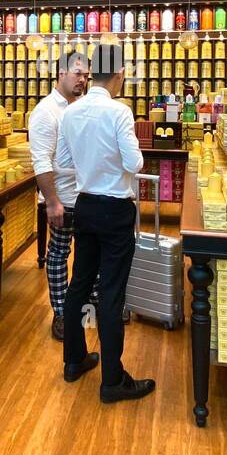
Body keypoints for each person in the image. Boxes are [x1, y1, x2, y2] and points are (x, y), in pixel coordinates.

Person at [54, 44, 155, 403]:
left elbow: (64, 160)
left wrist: (90, 165)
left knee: (79, 282)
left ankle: (74, 359)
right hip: (114, 208)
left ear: (93, 72)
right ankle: (112, 379)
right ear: (120, 73)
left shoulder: (71, 112)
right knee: (111, 293)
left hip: (84, 206)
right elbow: (136, 163)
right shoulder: (119, 112)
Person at [28, 48, 90, 341]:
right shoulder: (45, 112)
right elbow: (41, 160)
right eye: (78, 73)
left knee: (88, 254)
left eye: (86, 75)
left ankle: (84, 307)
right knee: (58, 253)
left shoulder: (81, 107)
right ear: (61, 73)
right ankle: (61, 312)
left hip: (86, 196)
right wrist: (51, 201)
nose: (83, 80)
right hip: (62, 198)